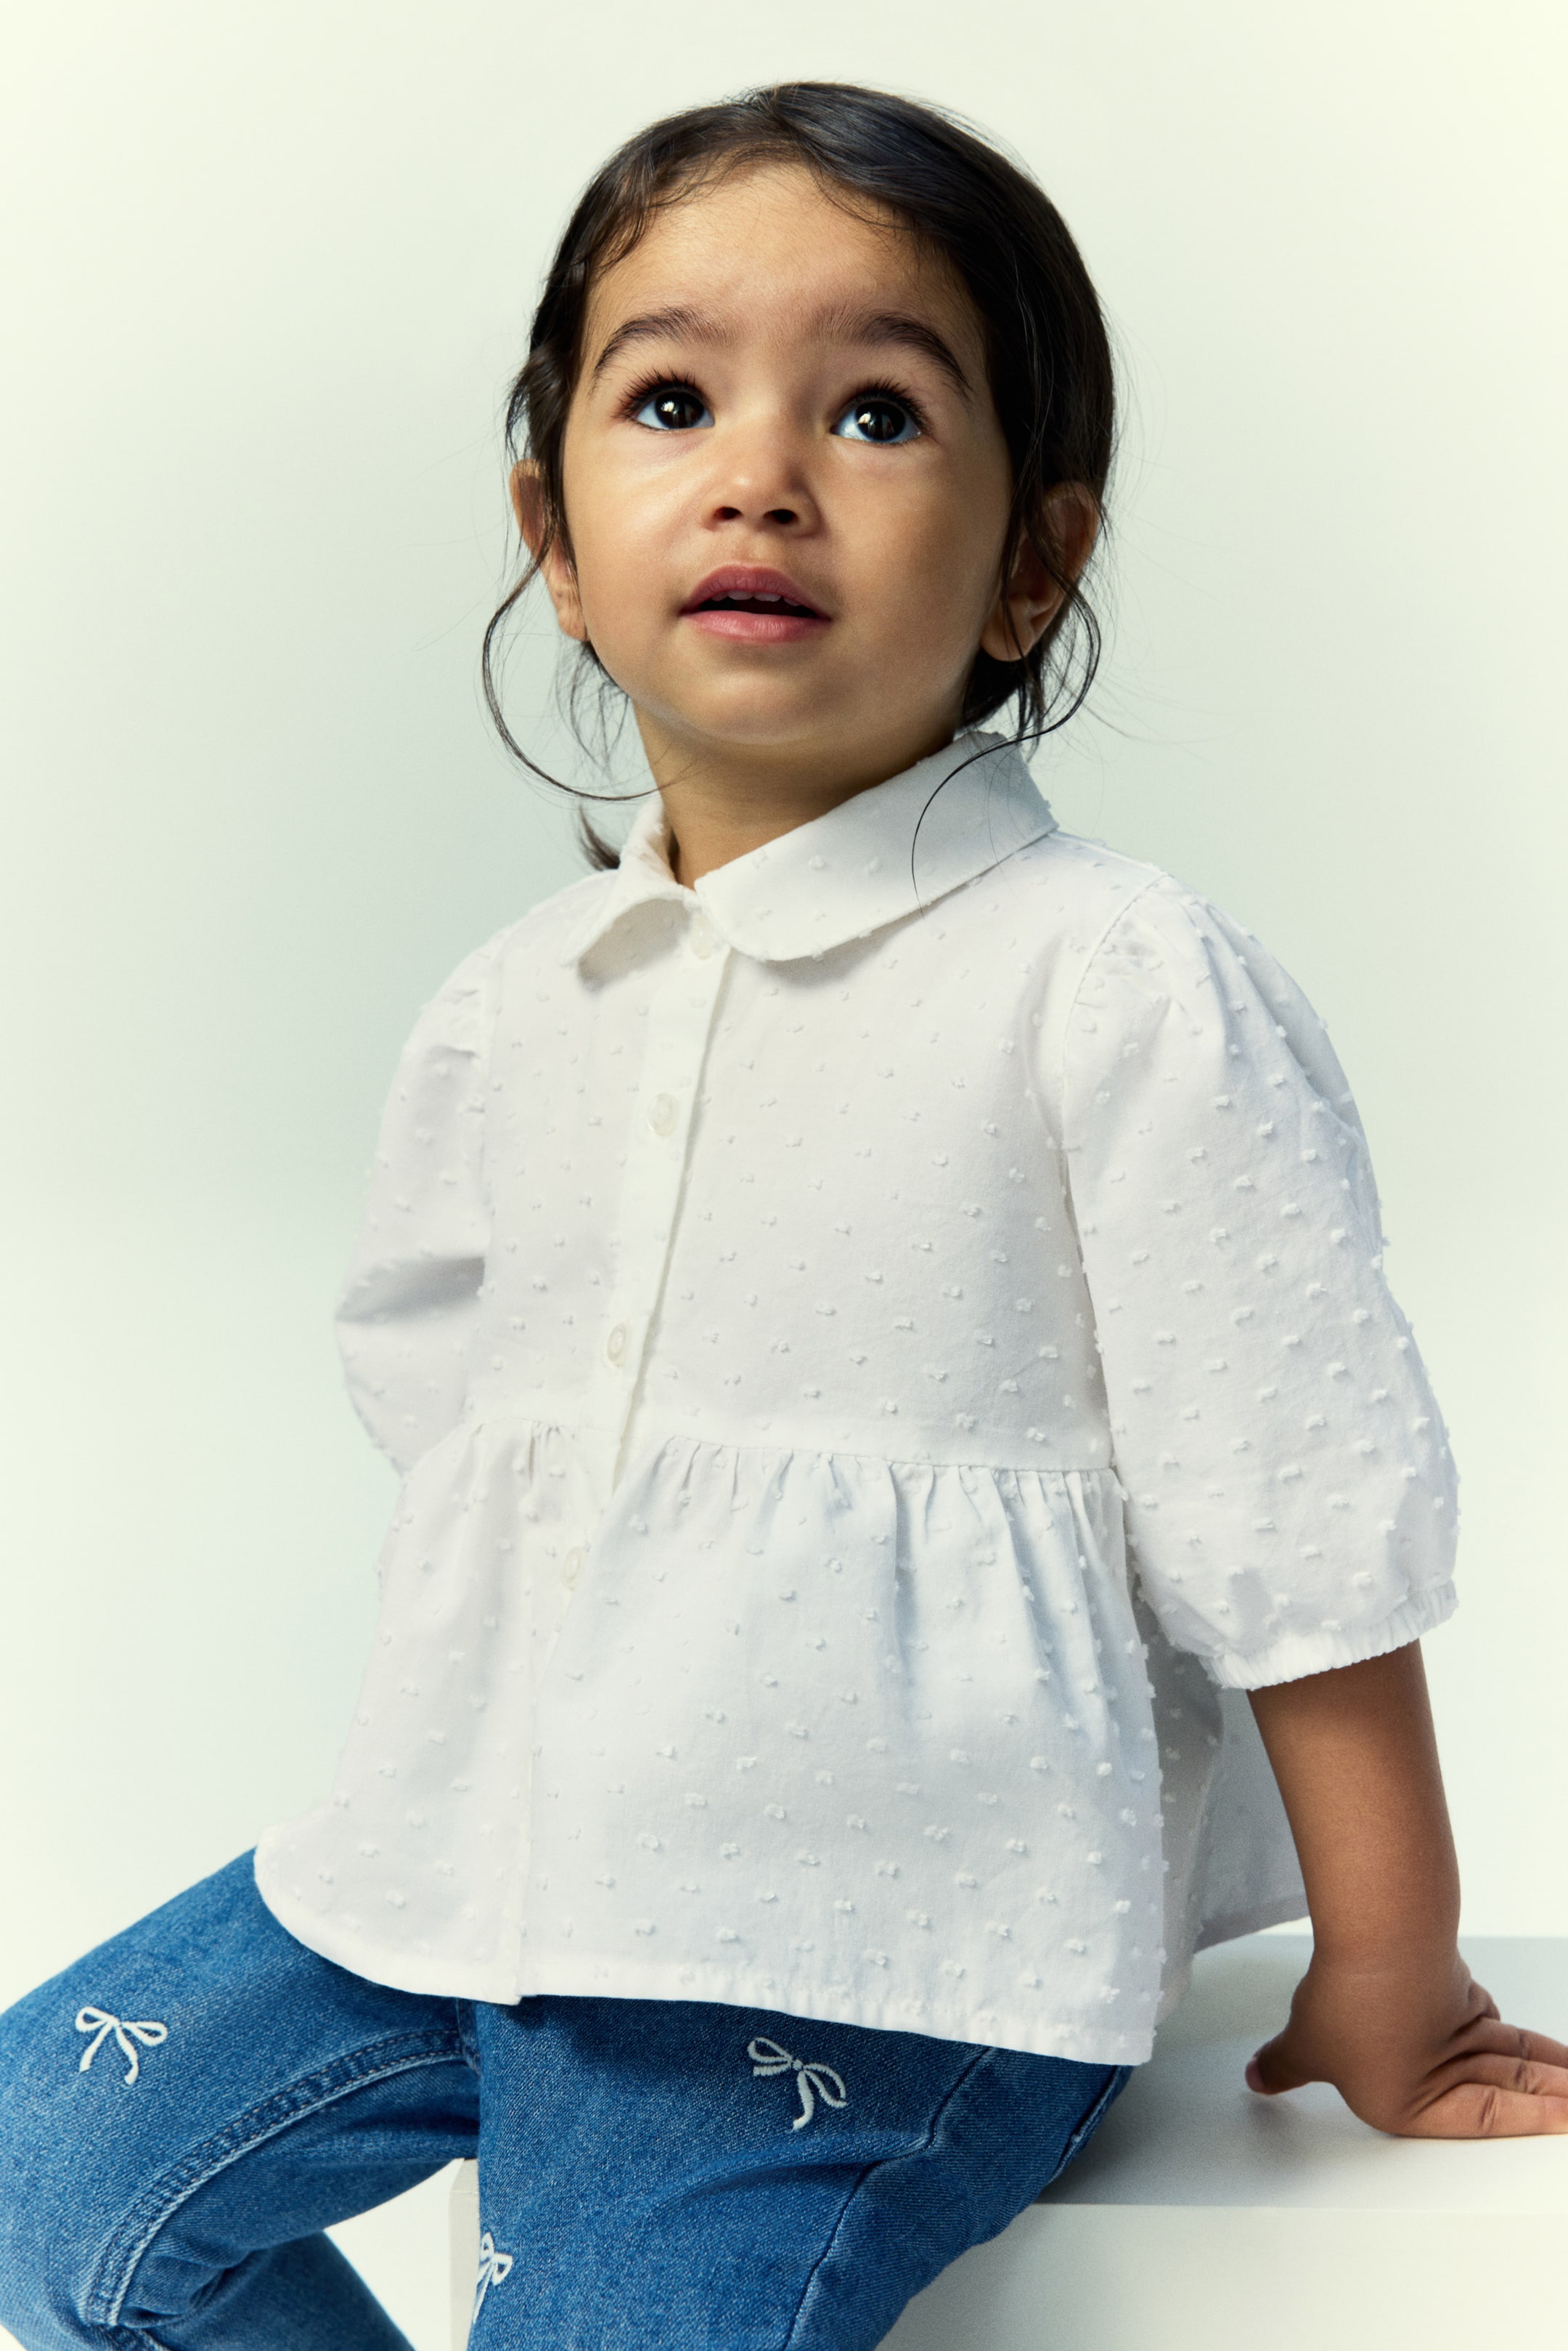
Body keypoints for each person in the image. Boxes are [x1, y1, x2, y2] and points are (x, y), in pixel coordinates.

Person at [1, 78, 1564, 2351]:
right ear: (554, 536)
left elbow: (1299, 1511)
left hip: (888, 1950)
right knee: (51, 2173)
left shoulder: (1109, 981)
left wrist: (1391, 1963)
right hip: (475, 1870)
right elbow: (445, 1399)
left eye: (876, 410)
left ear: (1033, 561)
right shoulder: (518, 1003)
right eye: (670, 401)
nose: (761, 474)